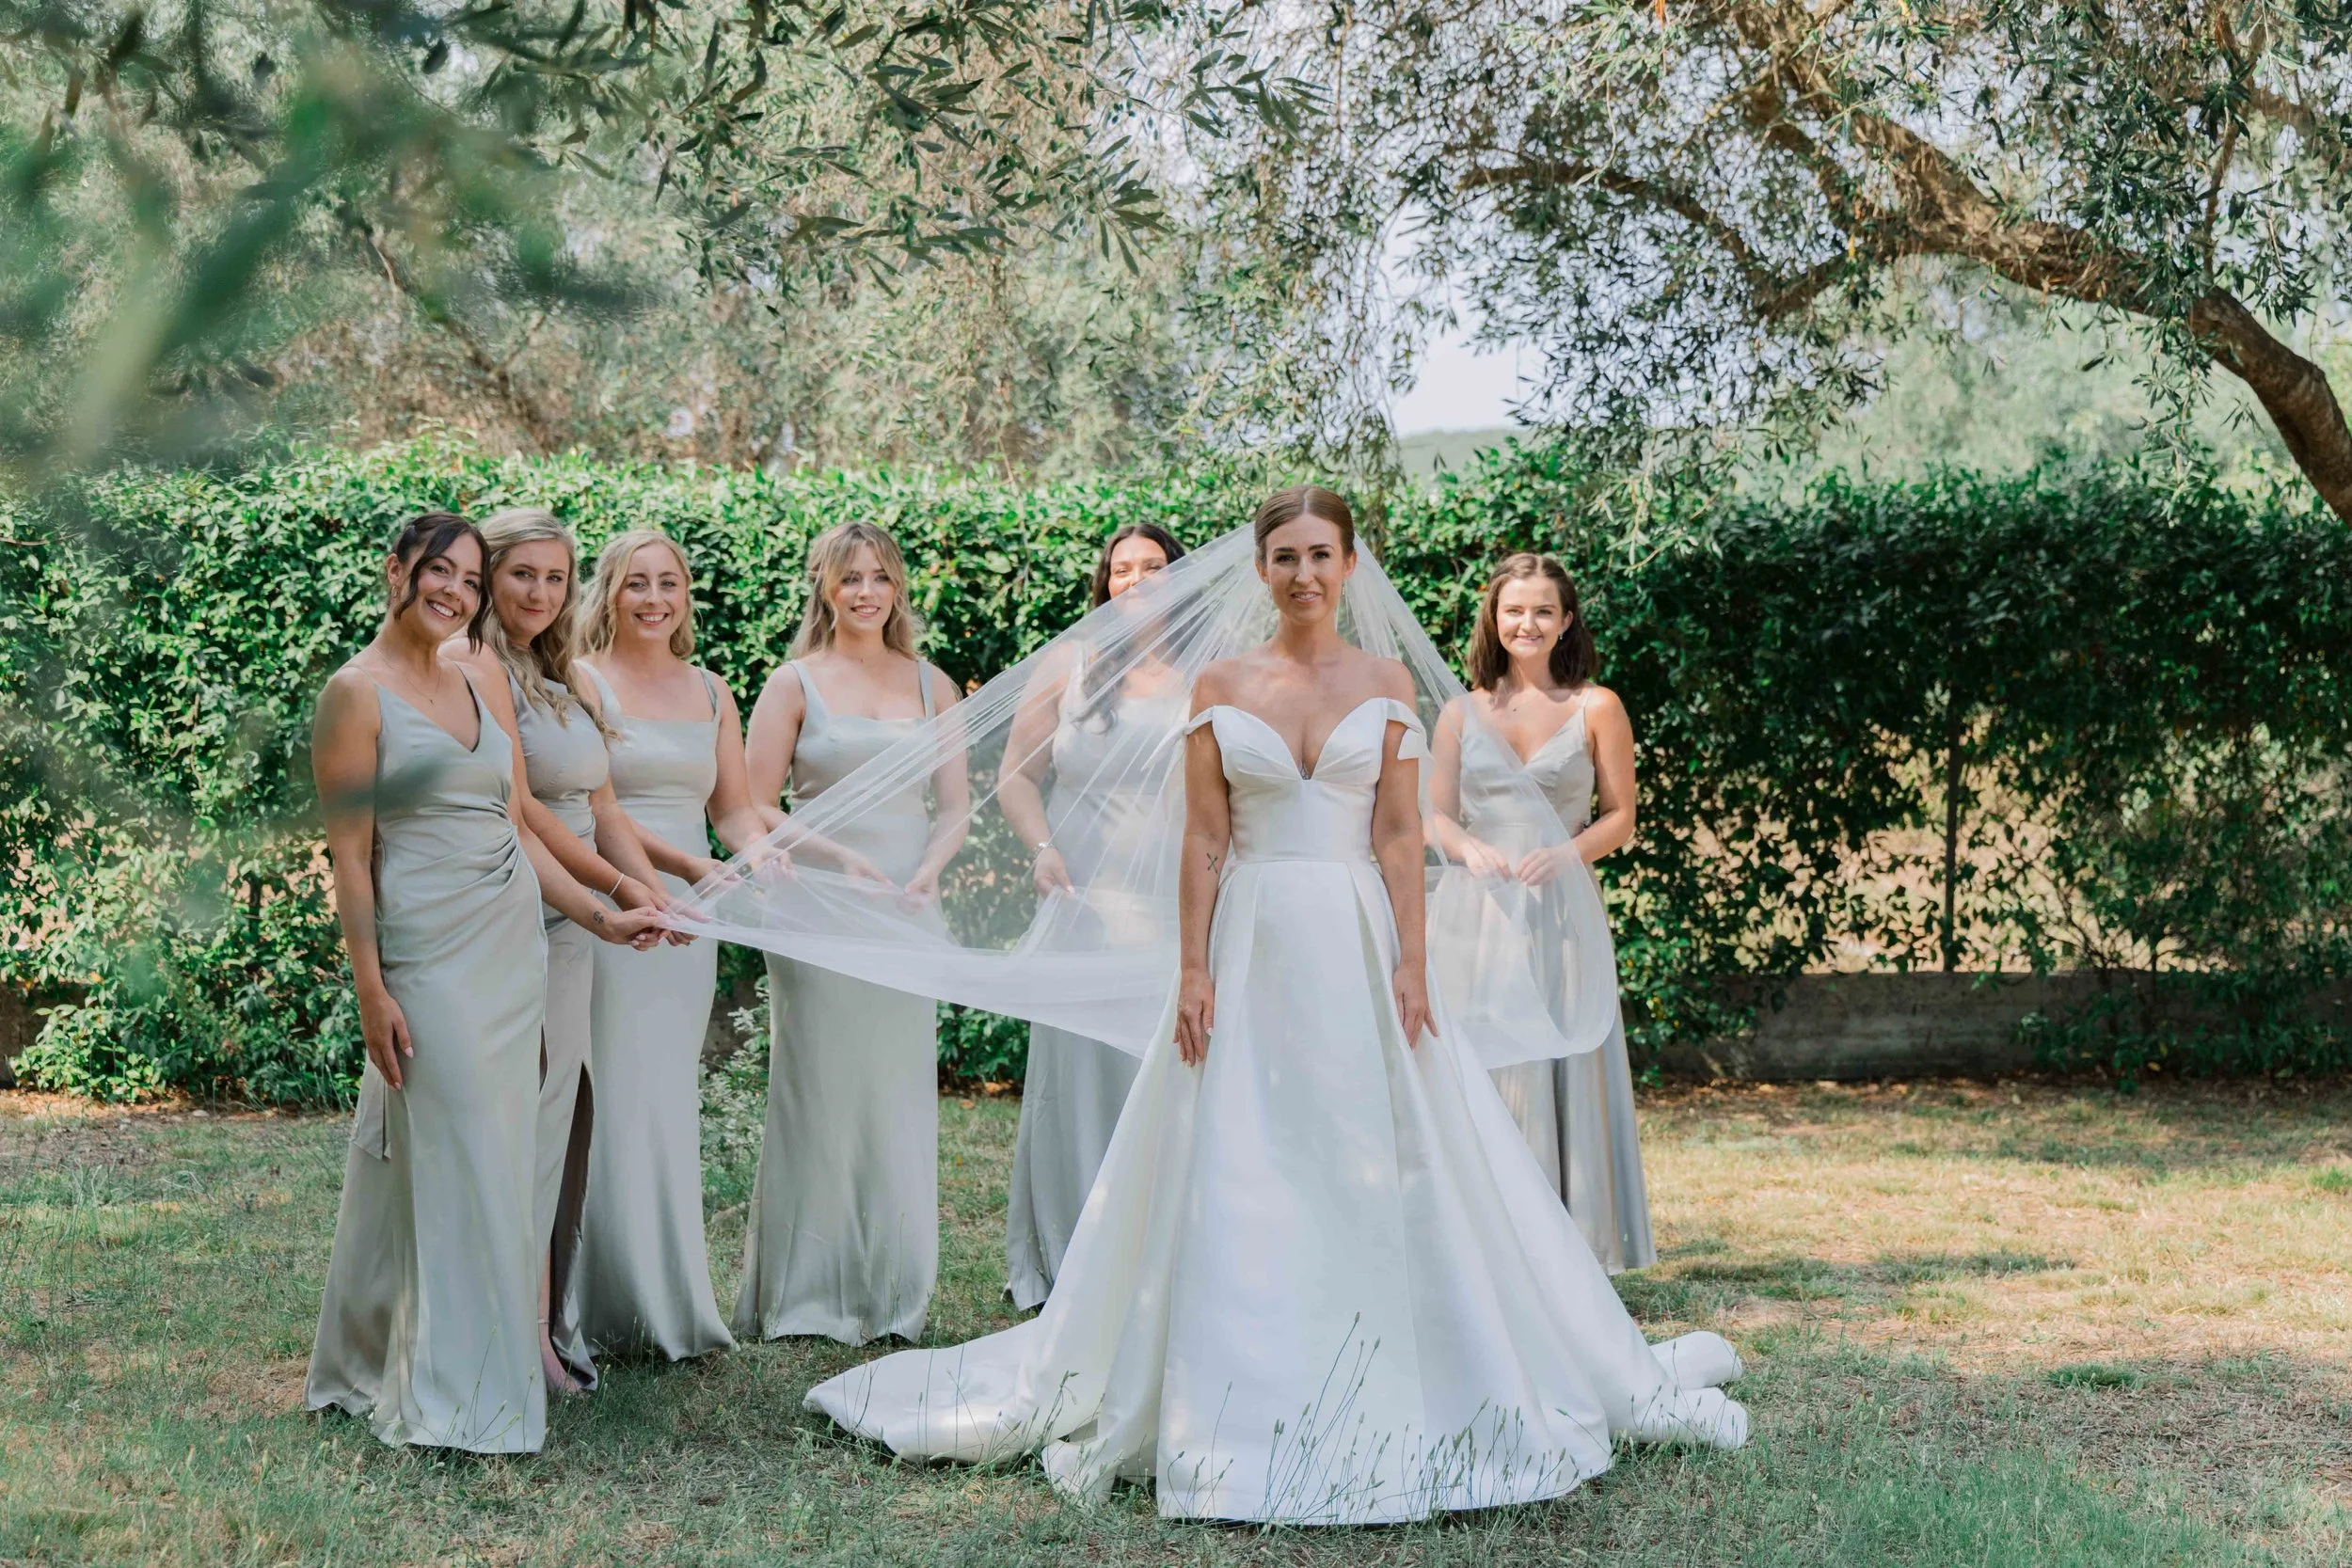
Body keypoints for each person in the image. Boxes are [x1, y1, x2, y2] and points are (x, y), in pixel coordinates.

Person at [802, 488, 1744, 1524]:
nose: (1302, 573)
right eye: (1284, 557)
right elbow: (1207, 839)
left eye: (1320, 556)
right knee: (1240, 1142)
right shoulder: (1221, 680)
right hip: (1248, 938)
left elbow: (1396, 836)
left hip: (1354, 933)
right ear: (1261, 570)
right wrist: (1194, 970)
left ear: (1347, 566)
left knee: (1381, 1133)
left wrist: (1414, 962)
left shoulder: (1386, 682)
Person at [306, 513, 662, 1452]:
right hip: (427, 953)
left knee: (495, 1157)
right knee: (464, 1157)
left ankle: (378, 1350)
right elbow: (349, 861)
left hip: (511, 947)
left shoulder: (476, 674)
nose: (454, 590)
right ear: (395, 569)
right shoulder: (355, 693)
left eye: (468, 577)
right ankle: (454, 1391)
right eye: (439, 570)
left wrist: (603, 913)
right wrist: (370, 989)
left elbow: (517, 822)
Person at [448, 506, 683, 1392]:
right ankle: (518, 1335)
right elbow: (525, 813)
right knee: (524, 1126)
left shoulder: (564, 677)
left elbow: (602, 808)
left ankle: (544, 1321)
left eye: (556, 577)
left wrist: (656, 886)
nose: (540, 593)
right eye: (521, 575)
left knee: (558, 1123)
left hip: (577, 921)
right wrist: (606, 900)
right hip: (526, 915)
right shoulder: (476, 665)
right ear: (488, 577)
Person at [736, 521, 967, 1344]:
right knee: (819, 1090)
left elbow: (957, 806)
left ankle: (890, 1286)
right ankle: (805, 1291)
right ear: (825, 589)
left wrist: (930, 869)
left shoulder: (934, 684)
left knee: (893, 1094)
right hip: (820, 909)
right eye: (849, 578)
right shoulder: (794, 683)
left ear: (897, 586)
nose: (865, 591)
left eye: (879, 576)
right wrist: (833, 854)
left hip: (905, 909)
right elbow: (755, 803)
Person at [572, 529, 769, 1360]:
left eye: (670, 584)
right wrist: (665, 878)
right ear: (608, 593)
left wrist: (758, 854)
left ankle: (666, 1294)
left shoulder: (713, 691)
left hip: (690, 916)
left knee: (663, 1093)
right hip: (614, 901)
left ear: (687, 595)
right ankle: (590, 1294)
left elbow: (731, 807)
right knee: (609, 1090)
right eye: (637, 584)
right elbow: (594, 807)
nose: (655, 599)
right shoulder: (580, 681)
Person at [1429, 553, 1655, 1271]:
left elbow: (1622, 817)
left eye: (1543, 611)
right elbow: (1432, 816)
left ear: (1565, 622)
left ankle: (1574, 1245)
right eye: (1514, 610)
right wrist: (1465, 848)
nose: (1527, 623)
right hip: (1478, 917)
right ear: (1493, 619)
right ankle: (1490, 1240)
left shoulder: (1598, 706)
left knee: (1563, 1055)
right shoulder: (1459, 712)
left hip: (1561, 911)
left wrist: (1565, 854)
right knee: (1490, 1065)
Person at [994, 522, 1188, 1307]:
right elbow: (1015, 775)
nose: (1135, 580)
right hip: (1080, 893)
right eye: (1121, 569)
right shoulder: (1067, 664)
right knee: (1074, 1073)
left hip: (1169, 904)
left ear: (1181, 579)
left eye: (1152, 568)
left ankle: (1153, 1247)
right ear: (1103, 582)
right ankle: (1069, 1250)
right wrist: (1041, 847)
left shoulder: (1210, 672)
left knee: (1155, 1071)